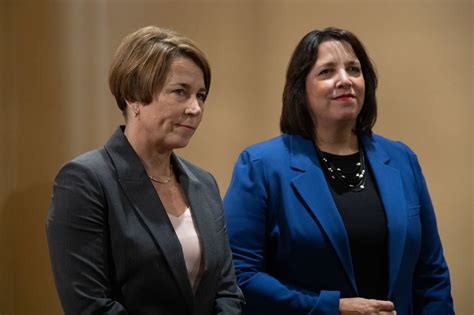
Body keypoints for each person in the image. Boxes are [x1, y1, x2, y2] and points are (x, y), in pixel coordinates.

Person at [223, 27, 453, 315]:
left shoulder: (401, 159)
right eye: (327, 72)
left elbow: (431, 274)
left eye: (353, 70)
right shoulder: (261, 165)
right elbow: (241, 275)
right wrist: (332, 308)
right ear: (300, 89)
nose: (345, 80)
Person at [46, 26, 244, 315]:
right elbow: (90, 305)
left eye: (200, 95)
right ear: (133, 96)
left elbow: (227, 290)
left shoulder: (204, 183)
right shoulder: (84, 181)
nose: (196, 108)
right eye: (180, 92)